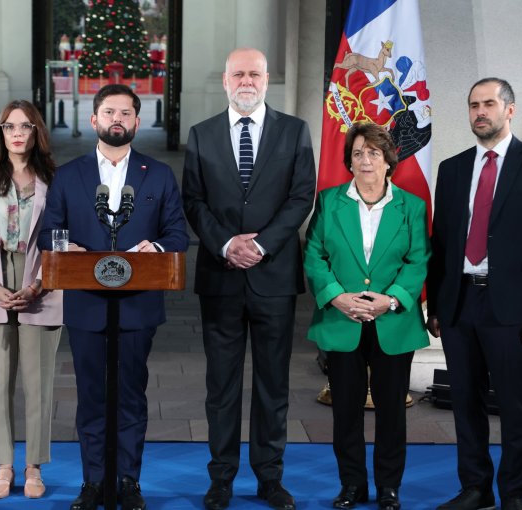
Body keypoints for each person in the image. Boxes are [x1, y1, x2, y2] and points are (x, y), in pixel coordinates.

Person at [39, 84, 189, 510]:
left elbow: (177, 232)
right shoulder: (69, 176)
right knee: (90, 396)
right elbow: (51, 230)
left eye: (126, 112)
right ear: (94, 120)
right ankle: (92, 482)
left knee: (130, 396)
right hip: (86, 307)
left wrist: (155, 249)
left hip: (138, 305)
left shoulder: (157, 175)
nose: (117, 119)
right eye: (109, 112)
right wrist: (66, 246)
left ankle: (127, 480)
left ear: (138, 122)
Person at [182, 47, 316, 510]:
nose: (246, 81)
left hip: (273, 277)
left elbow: (302, 198)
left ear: (266, 80)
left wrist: (259, 245)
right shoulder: (200, 135)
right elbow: (193, 201)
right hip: (220, 279)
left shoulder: (295, 132)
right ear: (224, 80)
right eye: (238, 73)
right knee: (220, 387)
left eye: (254, 74)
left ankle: (269, 478)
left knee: (272, 385)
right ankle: (220, 480)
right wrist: (226, 245)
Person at [427, 78, 522, 510]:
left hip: (511, 307)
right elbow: (444, 242)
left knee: (513, 403)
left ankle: (514, 493)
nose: (479, 112)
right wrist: (436, 302)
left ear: (510, 109)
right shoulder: (452, 168)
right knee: (465, 401)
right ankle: (475, 488)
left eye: (488, 103)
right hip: (459, 301)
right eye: (473, 105)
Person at [304, 123, 430, 510]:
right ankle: (352, 485)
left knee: (392, 411)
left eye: (374, 153)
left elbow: (418, 260)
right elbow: (314, 255)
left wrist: (390, 300)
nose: (365, 160)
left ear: (389, 160)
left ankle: (389, 487)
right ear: (349, 161)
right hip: (343, 321)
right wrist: (337, 297)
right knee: (345, 411)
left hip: (393, 321)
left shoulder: (411, 206)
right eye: (358, 153)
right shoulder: (329, 201)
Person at [0, 100, 63, 500]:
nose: (17, 133)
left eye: (25, 126)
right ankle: (4, 465)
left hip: (43, 283)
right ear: (0, 133)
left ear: (37, 132)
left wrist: (38, 283)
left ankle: (34, 467)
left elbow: (63, 240)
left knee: (39, 385)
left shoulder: (56, 179)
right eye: (9, 127)